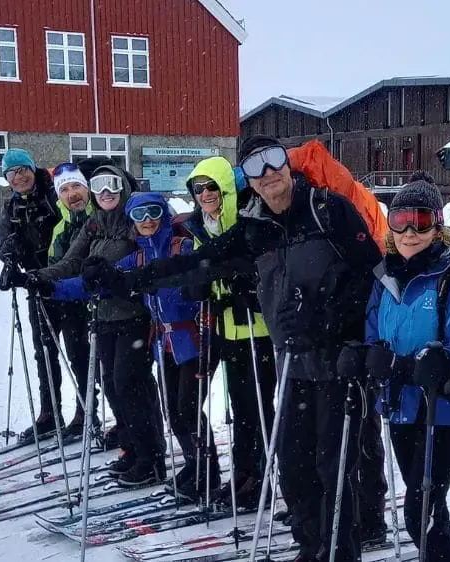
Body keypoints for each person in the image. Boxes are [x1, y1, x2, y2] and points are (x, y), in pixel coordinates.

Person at [100, 135, 383, 561]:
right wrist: (128, 280)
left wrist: (327, 317)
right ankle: (311, 550)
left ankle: (341, 553)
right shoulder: (255, 228)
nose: (268, 174)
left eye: (274, 161)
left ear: (287, 165)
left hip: (338, 363)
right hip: (294, 366)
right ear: (246, 178)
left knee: (335, 471)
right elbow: (196, 261)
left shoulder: (329, 211)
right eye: (255, 166)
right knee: (294, 468)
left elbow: (371, 277)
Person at [38, 192, 210, 498]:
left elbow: (203, 275)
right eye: (140, 215)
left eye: (154, 212)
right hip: (165, 343)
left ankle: (204, 473)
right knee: (174, 410)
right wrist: (52, 287)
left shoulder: (180, 247)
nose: (147, 221)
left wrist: (195, 286)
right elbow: (101, 283)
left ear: (165, 214)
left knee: (188, 409)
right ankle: (194, 465)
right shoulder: (139, 256)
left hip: (192, 340)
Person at [354, 175, 450, 562]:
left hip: (442, 411)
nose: (411, 231)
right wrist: (368, 357)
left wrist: (403, 366)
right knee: (423, 502)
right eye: (401, 220)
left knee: (420, 507)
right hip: (399, 406)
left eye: (421, 220)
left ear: (437, 225)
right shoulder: (385, 278)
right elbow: (373, 332)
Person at [15, 164, 167, 487]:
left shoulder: (133, 220)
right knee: (112, 386)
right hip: (103, 318)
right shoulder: (95, 225)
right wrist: (37, 277)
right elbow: (71, 262)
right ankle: (131, 449)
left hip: (134, 318)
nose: (106, 192)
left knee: (131, 385)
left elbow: (146, 258)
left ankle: (151, 457)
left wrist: (112, 272)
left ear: (122, 188)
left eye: (112, 185)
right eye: (99, 186)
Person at [177, 156, 277, 509]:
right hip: (225, 328)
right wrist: (198, 285)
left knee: (258, 407)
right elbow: (200, 268)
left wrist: (243, 283)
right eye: (198, 188)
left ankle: (259, 475)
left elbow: (262, 267)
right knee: (238, 405)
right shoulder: (203, 226)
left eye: (211, 187)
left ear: (225, 189)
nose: (205, 194)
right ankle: (243, 473)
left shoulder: (248, 220)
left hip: (258, 330)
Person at [0, 148, 64, 441]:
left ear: (32, 170)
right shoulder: (10, 208)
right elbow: (1, 244)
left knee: (80, 352)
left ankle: (89, 412)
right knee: (43, 352)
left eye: (23, 169)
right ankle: (50, 412)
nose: (19, 176)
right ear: (7, 178)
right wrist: (10, 255)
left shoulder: (53, 196)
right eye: (12, 172)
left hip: (67, 283)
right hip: (36, 286)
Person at [39, 162, 99, 438]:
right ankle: (81, 412)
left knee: (91, 361)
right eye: (64, 189)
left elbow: (76, 263)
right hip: (64, 300)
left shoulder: (97, 217)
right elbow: (58, 261)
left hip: (89, 301)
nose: (72, 193)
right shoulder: (62, 223)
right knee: (76, 358)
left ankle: (89, 414)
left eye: (76, 186)